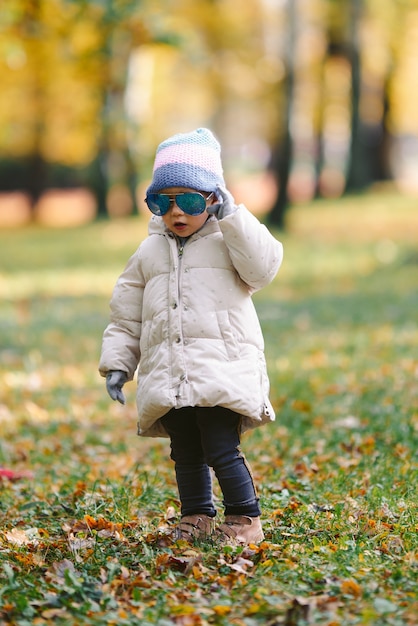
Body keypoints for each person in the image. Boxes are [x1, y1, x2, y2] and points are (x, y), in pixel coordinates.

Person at [99, 128, 283, 545]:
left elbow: (264, 267)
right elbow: (126, 314)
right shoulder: (148, 252)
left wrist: (235, 217)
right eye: (163, 201)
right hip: (170, 370)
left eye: (191, 201)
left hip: (222, 367)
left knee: (220, 446)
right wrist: (117, 363)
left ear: (214, 199)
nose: (176, 212)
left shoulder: (230, 239)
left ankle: (244, 518)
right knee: (185, 451)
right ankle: (196, 515)